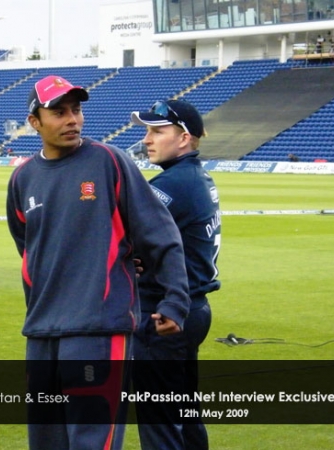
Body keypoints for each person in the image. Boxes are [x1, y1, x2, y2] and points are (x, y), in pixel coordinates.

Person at [6, 75, 191, 450]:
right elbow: (28, 248)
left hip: (98, 329)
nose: (72, 119)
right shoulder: (22, 178)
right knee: (45, 443)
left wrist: (175, 300)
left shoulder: (109, 161)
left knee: (93, 443)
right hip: (41, 331)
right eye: (58, 112)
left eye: (76, 110)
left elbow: (161, 234)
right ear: (35, 122)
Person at [130, 100, 221, 450]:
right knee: (184, 412)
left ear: (184, 138)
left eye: (157, 131)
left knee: (159, 421)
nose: (148, 140)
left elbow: (118, 233)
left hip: (162, 313)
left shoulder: (171, 185)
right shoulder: (195, 175)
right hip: (192, 309)